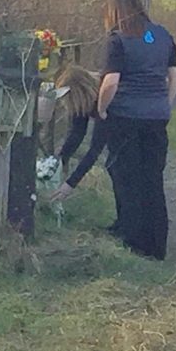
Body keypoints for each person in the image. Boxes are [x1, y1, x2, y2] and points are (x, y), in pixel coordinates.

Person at [98, 0, 176, 260]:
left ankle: (131, 239)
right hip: (156, 118)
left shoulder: (118, 40)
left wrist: (101, 108)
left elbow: (111, 81)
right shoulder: (162, 35)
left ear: (114, 10)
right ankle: (157, 245)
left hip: (126, 117)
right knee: (152, 180)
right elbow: (175, 74)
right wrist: (165, 103)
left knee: (127, 178)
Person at [49, 66, 119, 231]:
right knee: (115, 168)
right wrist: (58, 161)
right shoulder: (81, 103)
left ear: (78, 95)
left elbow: (95, 149)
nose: (65, 106)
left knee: (118, 168)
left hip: (127, 126)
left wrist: (70, 184)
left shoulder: (104, 99)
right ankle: (121, 224)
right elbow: (76, 134)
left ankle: (127, 227)